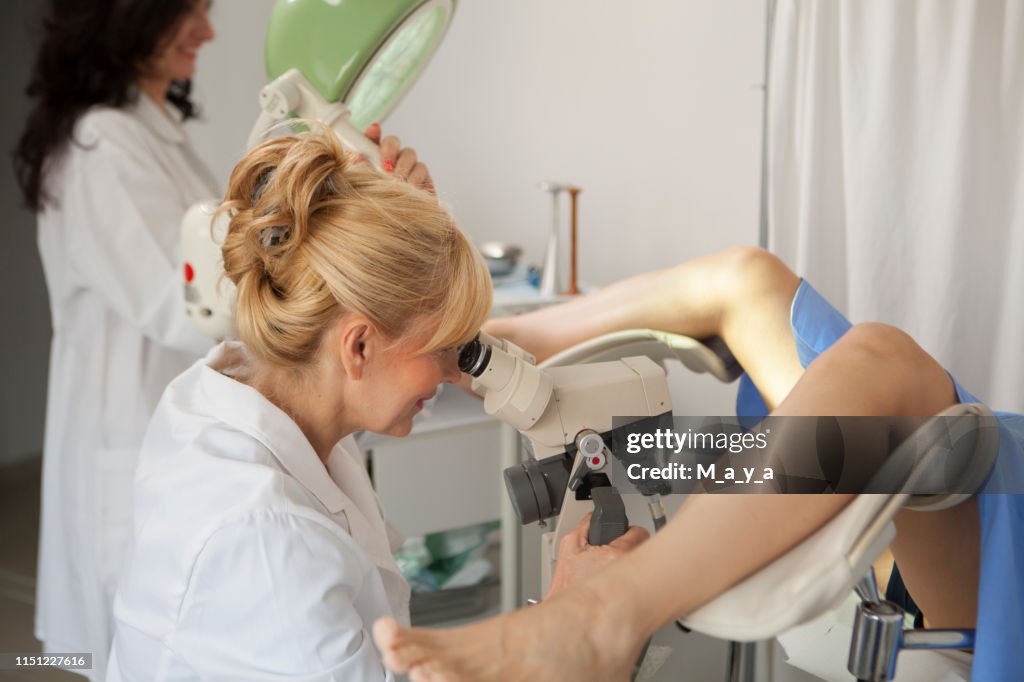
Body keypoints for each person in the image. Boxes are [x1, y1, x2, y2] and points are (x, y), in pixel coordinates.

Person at [105, 129, 646, 680]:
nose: (453, 369)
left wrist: (404, 242)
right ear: (358, 346)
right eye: (442, 348)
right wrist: (563, 614)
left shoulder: (237, 390)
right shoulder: (268, 538)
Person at [12, 2, 433, 676]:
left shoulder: (153, 134)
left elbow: (241, 265)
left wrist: (350, 208)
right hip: (141, 435)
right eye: (191, 12)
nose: (208, 32)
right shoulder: (102, 145)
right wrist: (345, 238)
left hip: (202, 436)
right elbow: (190, 302)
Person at [373, 247, 1024, 681]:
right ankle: (493, 340)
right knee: (749, 277)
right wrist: (471, 340)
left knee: (886, 359)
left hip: (986, 537)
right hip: (962, 475)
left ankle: (603, 615)